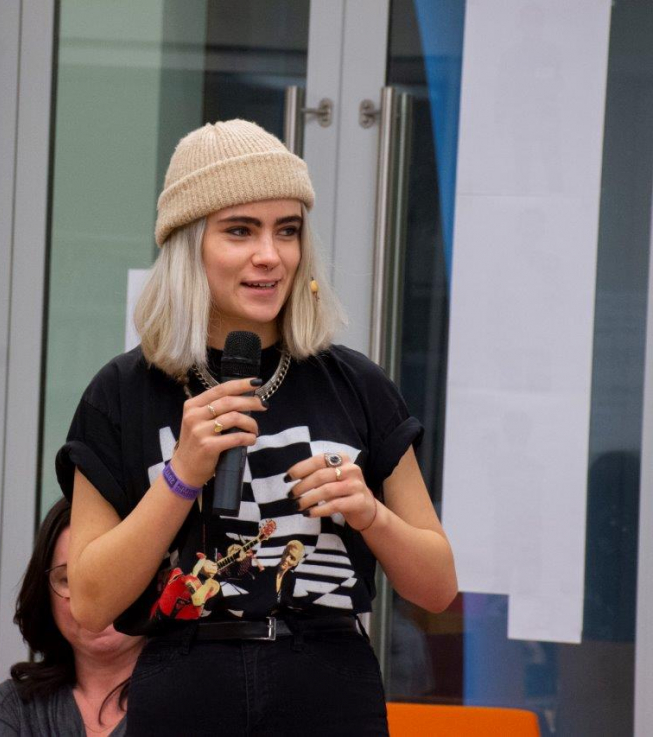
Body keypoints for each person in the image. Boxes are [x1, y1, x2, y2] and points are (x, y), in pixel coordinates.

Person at [59, 119, 458, 736]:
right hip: (185, 684)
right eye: (240, 230)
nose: (270, 255)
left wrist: (370, 514)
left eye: (287, 230)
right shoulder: (123, 391)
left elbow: (437, 589)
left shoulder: (356, 384)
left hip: (329, 684)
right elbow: (90, 603)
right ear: (189, 245)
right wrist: (181, 476)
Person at [0, 499, 143, 737]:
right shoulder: (12, 708)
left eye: (115, 573)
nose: (97, 599)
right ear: (44, 594)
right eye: (69, 580)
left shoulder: (191, 698)